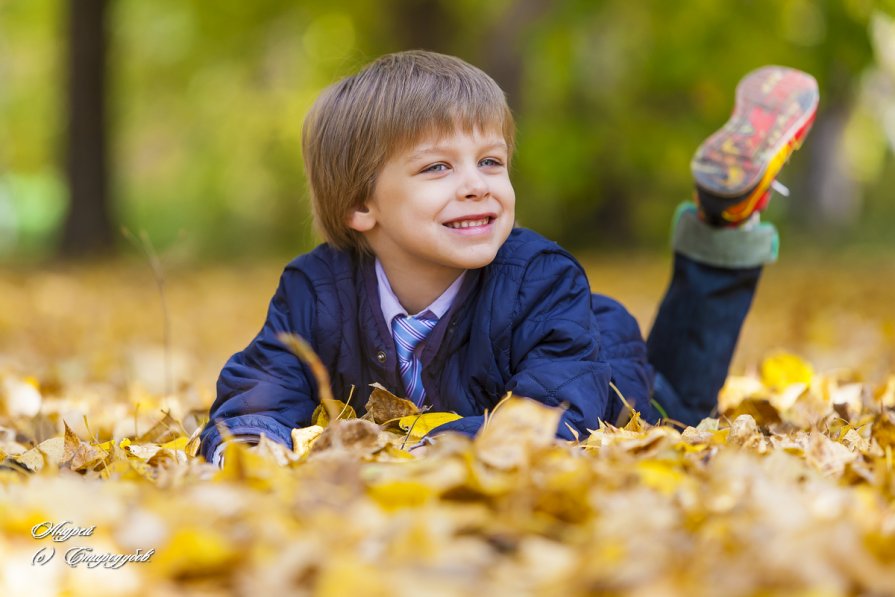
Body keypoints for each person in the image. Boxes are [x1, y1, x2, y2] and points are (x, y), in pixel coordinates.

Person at [199, 51, 818, 464]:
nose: (476, 184)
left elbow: (553, 421)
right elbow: (262, 387)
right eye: (439, 167)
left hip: (605, 379)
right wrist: (251, 446)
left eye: (490, 162)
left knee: (674, 405)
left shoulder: (540, 279)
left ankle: (724, 220)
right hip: (544, 361)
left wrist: (406, 446)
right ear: (363, 204)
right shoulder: (314, 290)